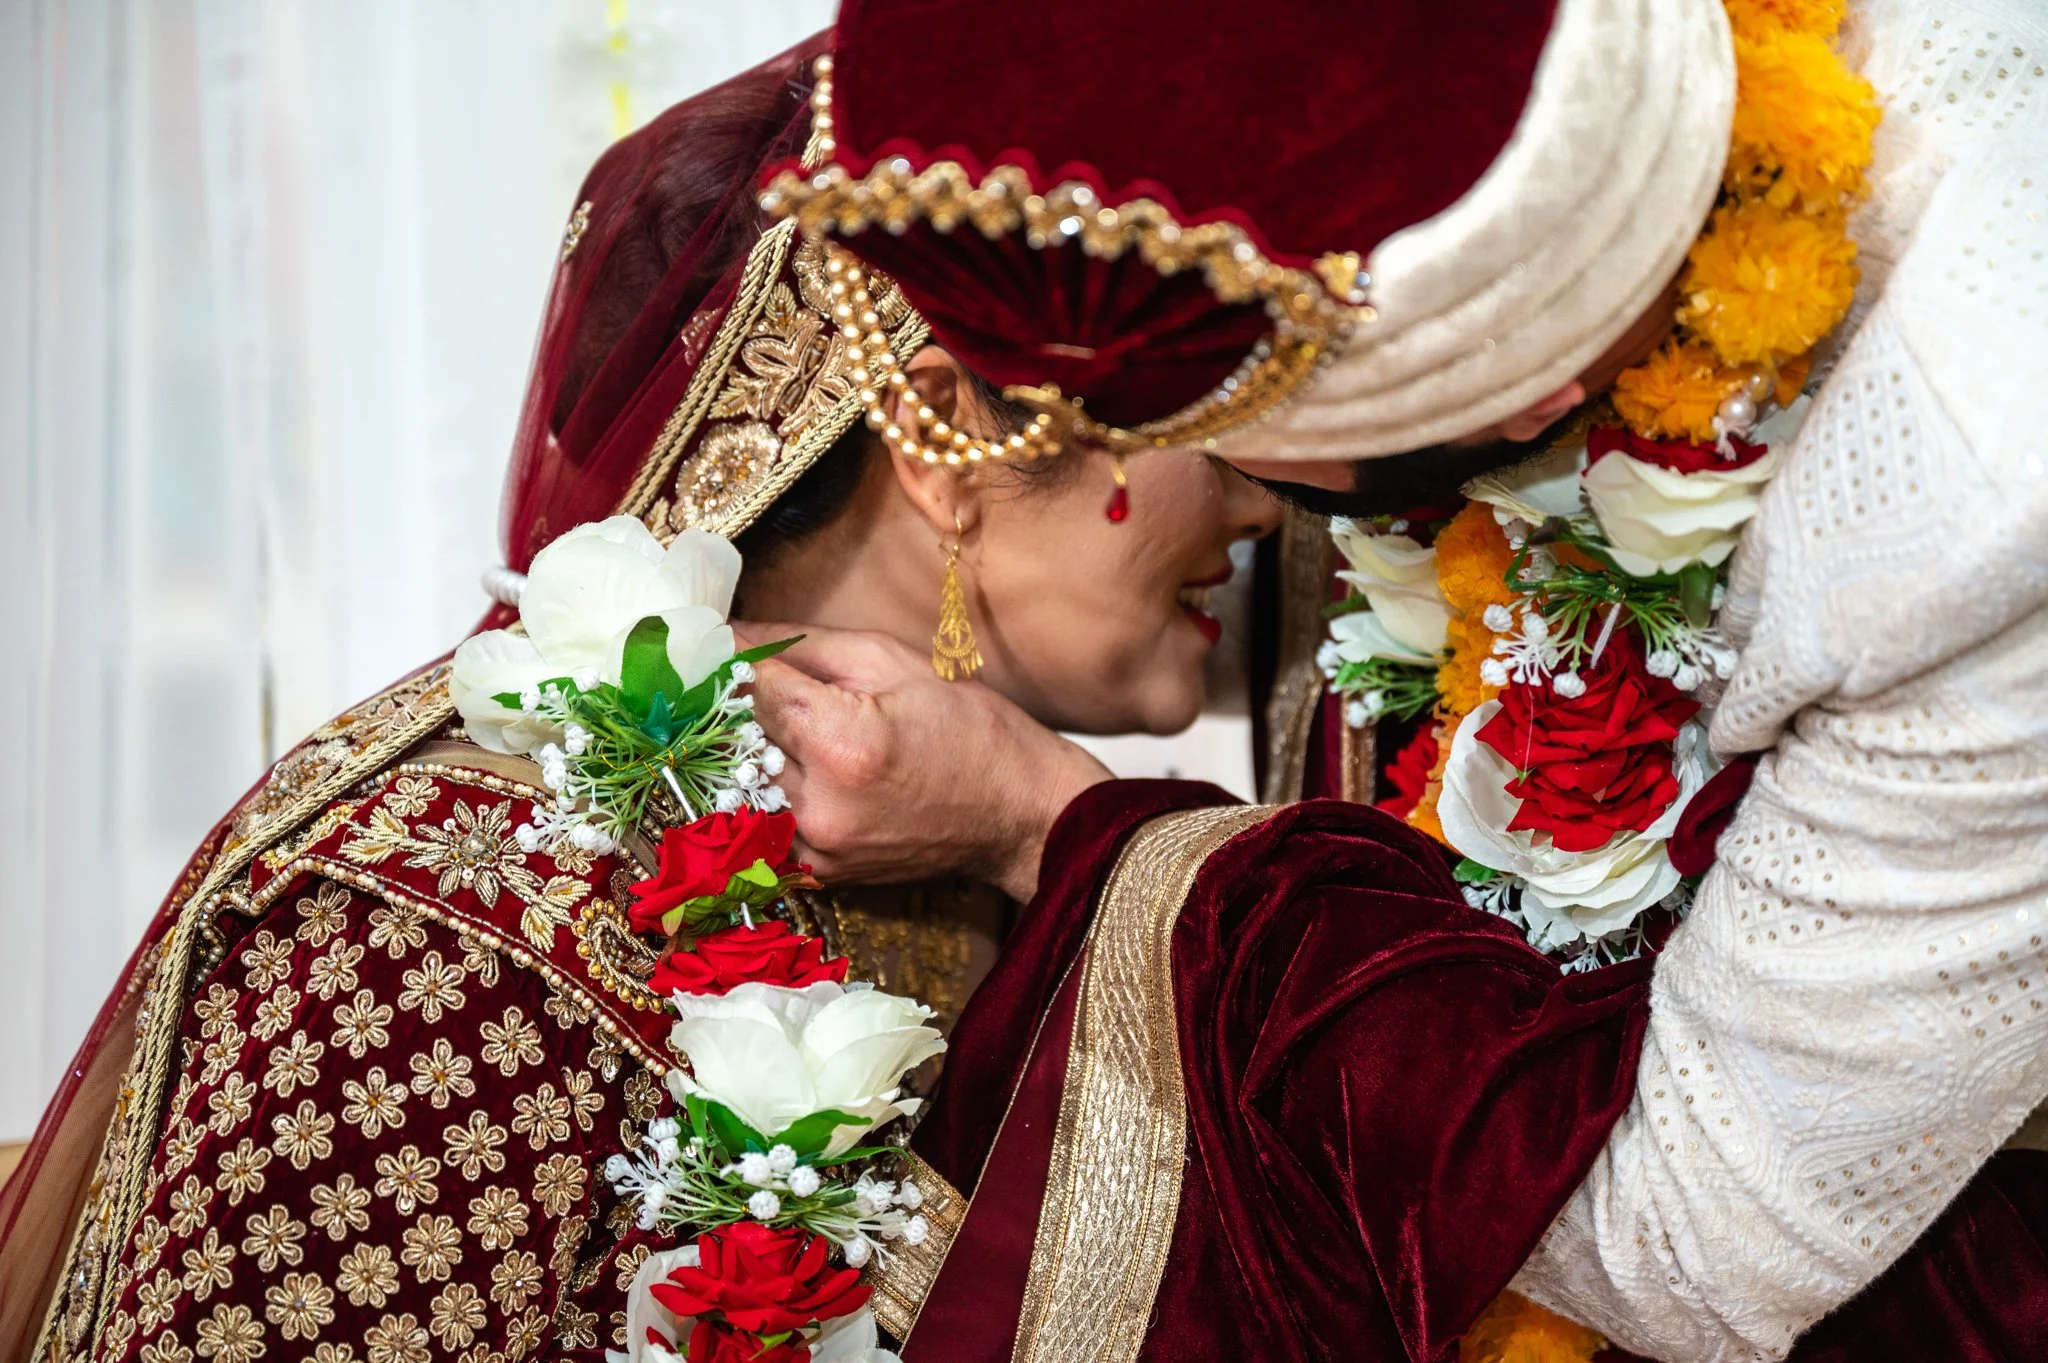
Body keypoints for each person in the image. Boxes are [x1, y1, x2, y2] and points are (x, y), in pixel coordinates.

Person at [736, 0, 2048, 1359]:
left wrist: (1051, 817)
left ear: (1531, 402)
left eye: (1227, 447)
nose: (1247, 513)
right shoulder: (1571, 138)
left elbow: (1697, 1239)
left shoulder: (1979, 507)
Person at [0, 33, 1283, 1363]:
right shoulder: (449, 921)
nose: (1260, 494)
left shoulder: (988, 852)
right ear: (943, 428)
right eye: (1204, 403)